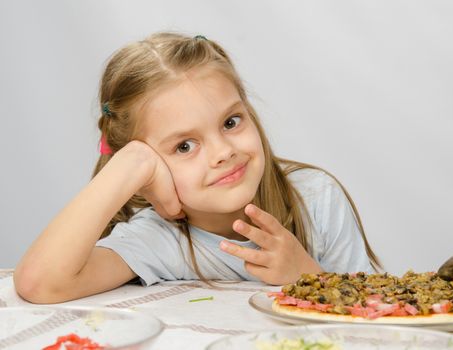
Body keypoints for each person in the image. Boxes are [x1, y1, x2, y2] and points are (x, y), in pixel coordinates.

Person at [14, 32, 381, 303]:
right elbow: (39, 283)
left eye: (231, 122)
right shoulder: (160, 240)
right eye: (184, 146)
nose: (222, 152)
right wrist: (132, 163)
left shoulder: (315, 198)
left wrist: (307, 276)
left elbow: (376, 314)